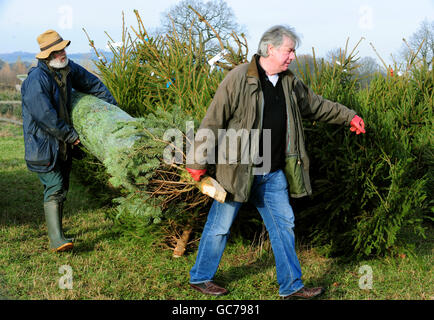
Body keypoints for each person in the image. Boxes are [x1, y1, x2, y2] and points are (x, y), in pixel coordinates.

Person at [186, 25, 366, 299]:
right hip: (237, 171)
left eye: (293, 51)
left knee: (284, 226)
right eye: (289, 50)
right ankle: (201, 277)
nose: (293, 56)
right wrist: (197, 161)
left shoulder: (289, 83)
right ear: (270, 49)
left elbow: (315, 105)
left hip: (273, 173)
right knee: (220, 227)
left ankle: (291, 286)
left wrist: (348, 116)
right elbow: (214, 119)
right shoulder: (237, 79)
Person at [21, 29, 117, 252]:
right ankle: (56, 240)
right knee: (54, 186)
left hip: (61, 143)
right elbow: (45, 117)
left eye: (63, 48)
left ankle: (59, 234)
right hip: (43, 145)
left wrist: (111, 109)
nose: (62, 53)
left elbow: (93, 84)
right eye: (57, 51)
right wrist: (71, 136)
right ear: (46, 55)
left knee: (62, 186)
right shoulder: (37, 80)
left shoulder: (68, 67)